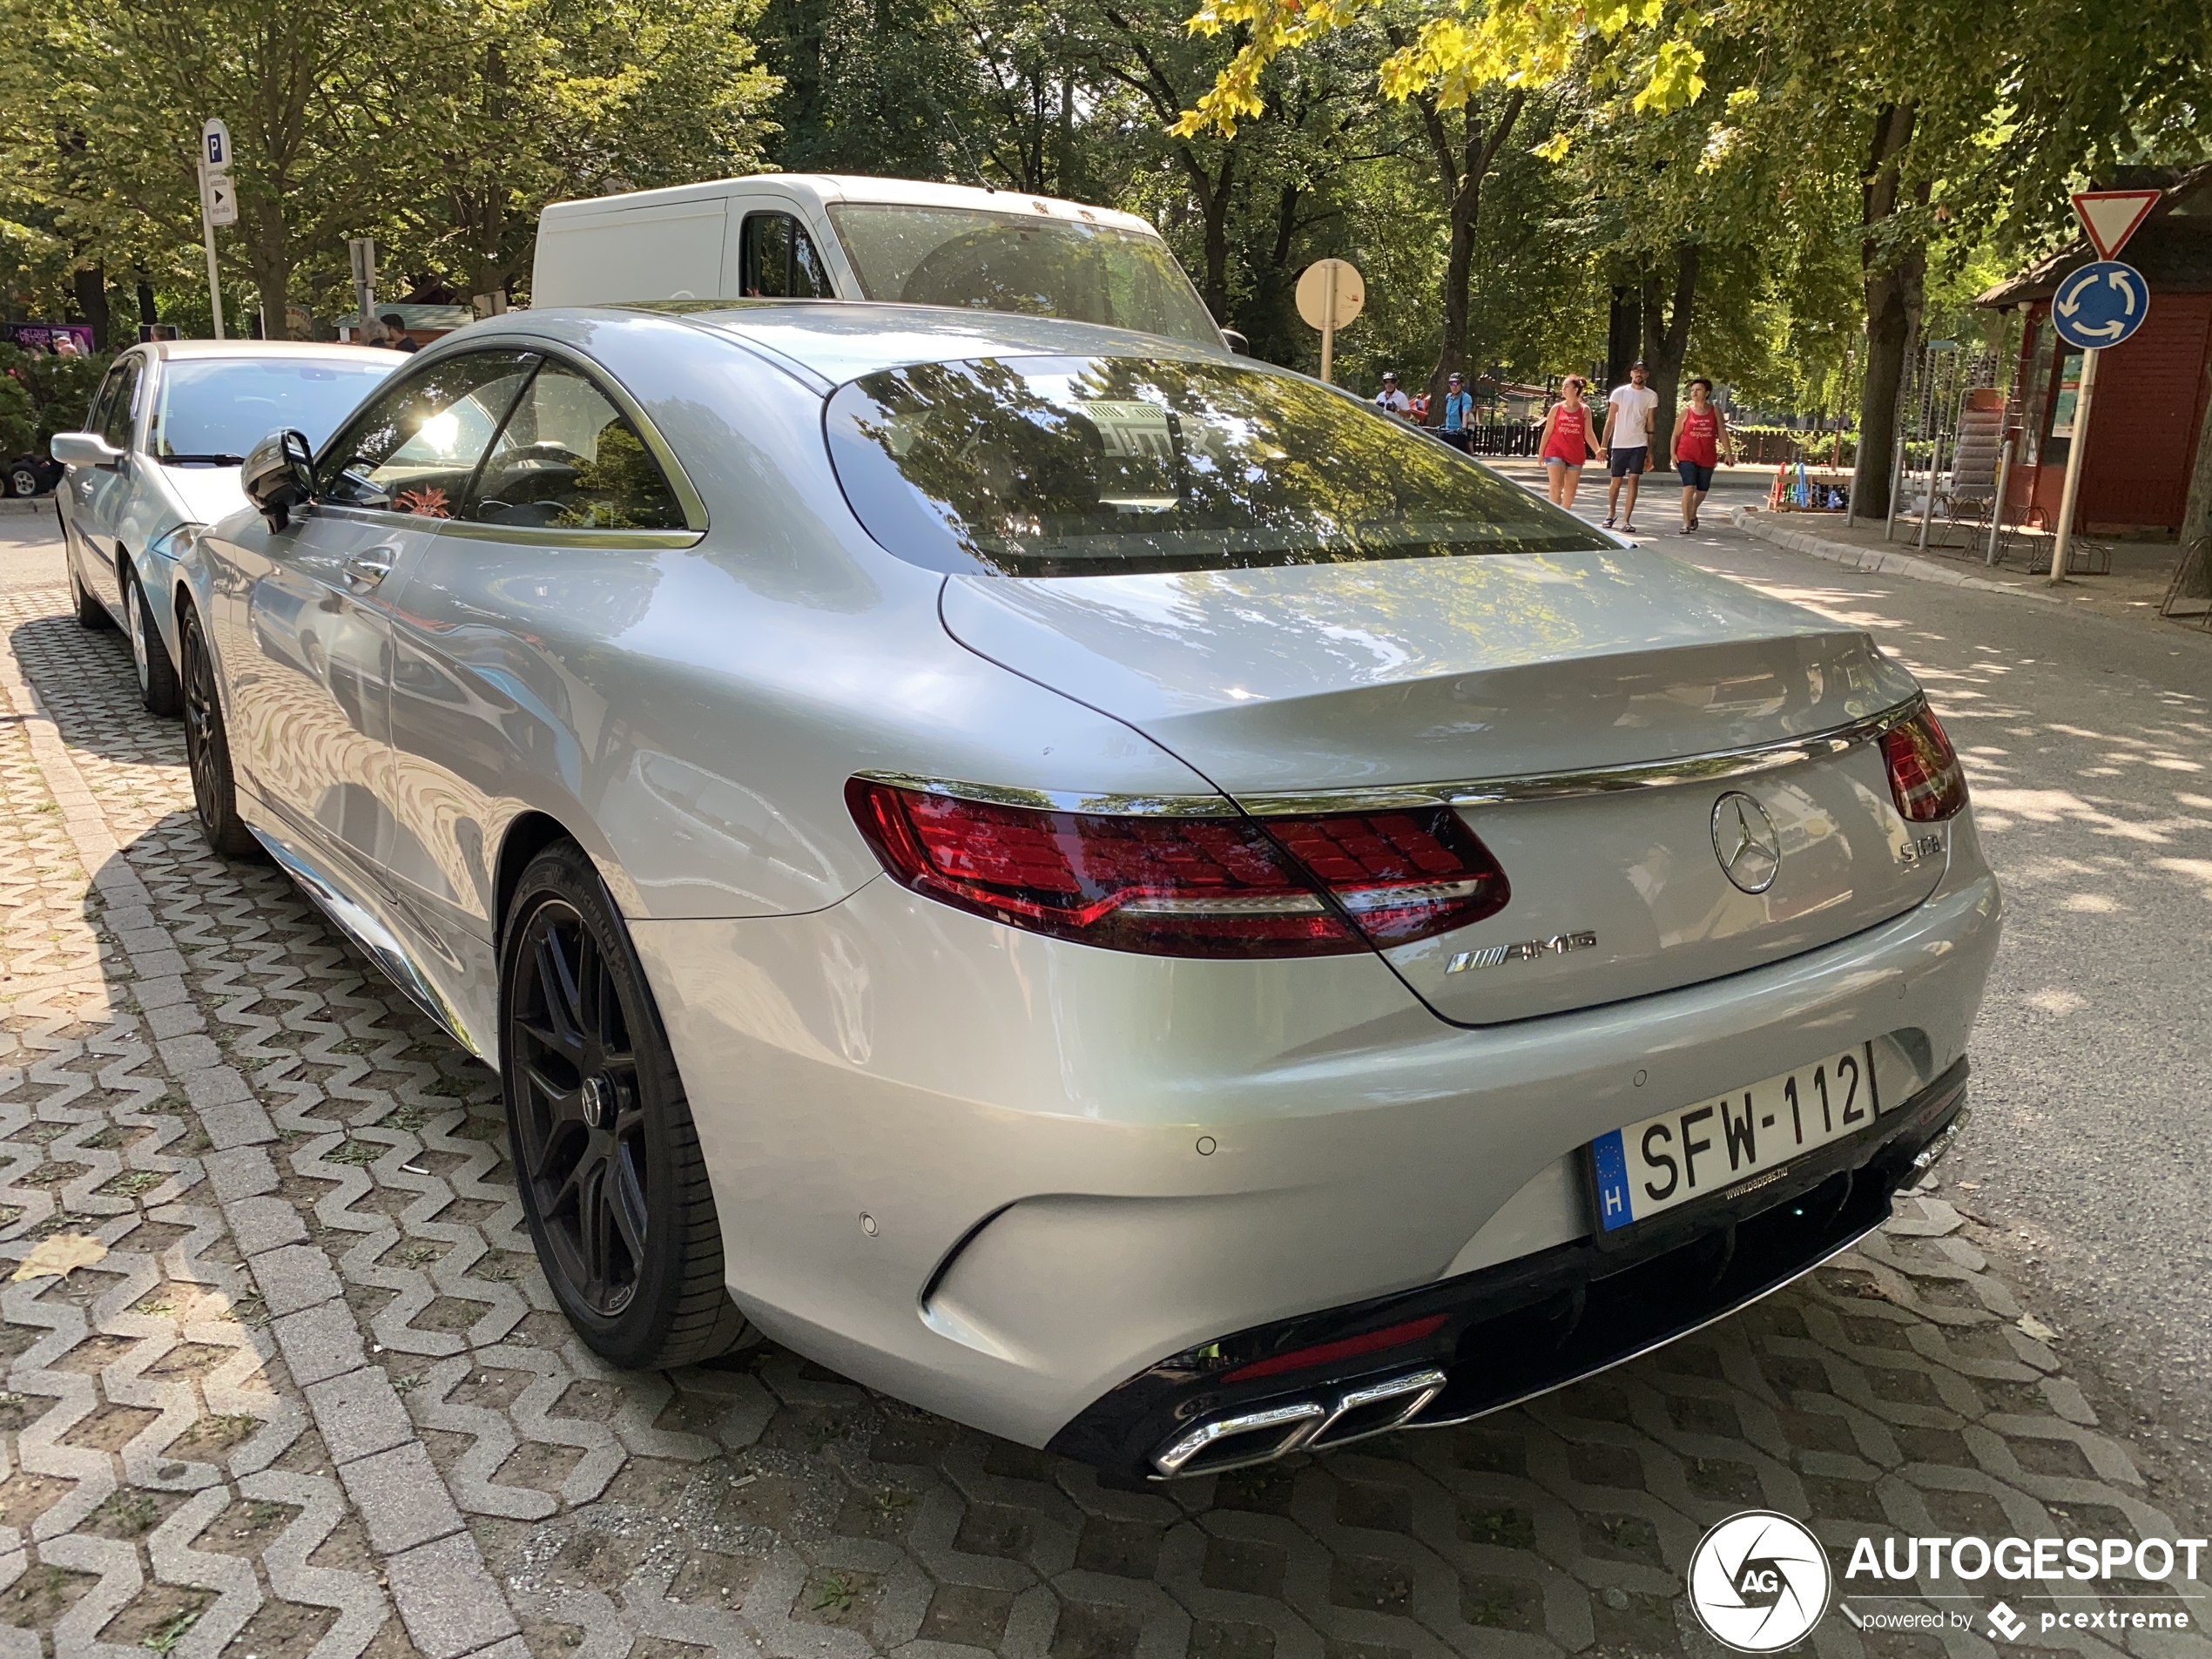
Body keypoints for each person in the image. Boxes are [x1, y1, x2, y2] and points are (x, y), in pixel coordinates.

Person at [1601, 361, 1659, 533]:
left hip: (1639, 443)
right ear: (1631, 373)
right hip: (1620, 443)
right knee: (1616, 481)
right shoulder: (1620, 393)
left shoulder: (1651, 396)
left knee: (1634, 479)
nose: (1639, 374)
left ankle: (1626, 519)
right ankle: (1611, 514)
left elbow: (1650, 422)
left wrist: (1650, 450)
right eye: (1636, 371)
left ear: (1647, 375)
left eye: (1643, 371)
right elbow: (1610, 420)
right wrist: (1604, 446)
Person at [1670, 376, 1730, 533]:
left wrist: (1728, 453)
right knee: (1689, 487)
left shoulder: (1715, 411)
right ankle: (1685, 523)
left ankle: (1692, 512)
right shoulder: (1686, 412)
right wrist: (1673, 454)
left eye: (1699, 390)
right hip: (1686, 454)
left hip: (1707, 456)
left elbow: (1722, 433)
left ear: (1707, 392)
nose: (1694, 393)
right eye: (1692, 390)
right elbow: (1676, 435)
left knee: (1702, 491)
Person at [1536, 376, 1602, 507]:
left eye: (1567, 387)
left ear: (1576, 389)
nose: (1563, 389)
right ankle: (1555, 517)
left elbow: (1588, 433)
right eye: (1563, 387)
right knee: (1556, 485)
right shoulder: (1557, 408)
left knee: (1570, 490)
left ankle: (1566, 516)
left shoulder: (1585, 410)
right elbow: (1548, 431)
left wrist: (1598, 450)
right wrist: (1541, 452)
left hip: (1575, 453)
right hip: (1555, 450)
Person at [1439, 371, 1474, 451]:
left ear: (1462, 384)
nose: (1454, 387)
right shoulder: (1448, 397)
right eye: (1451, 383)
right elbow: (1448, 415)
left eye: (1456, 383)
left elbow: (1465, 413)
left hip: (1459, 435)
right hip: (1447, 433)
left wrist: (1463, 428)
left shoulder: (1466, 398)